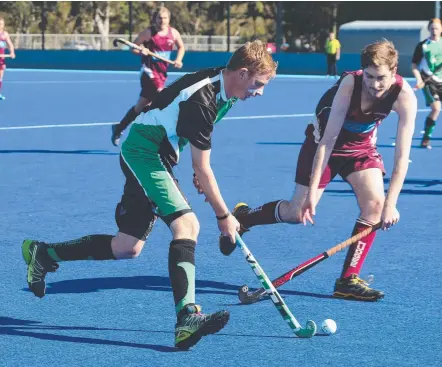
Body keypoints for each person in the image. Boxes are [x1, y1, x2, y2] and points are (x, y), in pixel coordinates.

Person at [22, 40, 277, 349]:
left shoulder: (225, 93)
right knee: (188, 225)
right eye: (258, 84)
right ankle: (187, 318)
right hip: (145, 151)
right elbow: (203, 164)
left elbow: (194, 149)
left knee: (127, 247)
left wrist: (199, 173)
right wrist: (224, 217)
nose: (260, 92)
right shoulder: (204, 98)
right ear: (242, 73)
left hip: (160, 153)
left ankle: (44, 253)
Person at [216, 40, 417, 302]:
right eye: (369, 76)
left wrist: (392, 204)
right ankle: (245, 217)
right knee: (296, 212)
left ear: (394, 71)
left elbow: (402, 158)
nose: (375, 84)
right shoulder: (350, 85)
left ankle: (348, 280)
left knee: (376, 206)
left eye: (381, 78)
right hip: (323, 143)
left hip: (361, 148)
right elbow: (328, 140)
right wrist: (312, 193)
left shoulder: (404, 96)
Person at [111, 6, 185, 146]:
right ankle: (158, 138)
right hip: (148, 72)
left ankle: (119, 128)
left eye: (164, 18)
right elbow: (134, 47)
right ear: (155, 19)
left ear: (169, 19)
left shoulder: (173, 33)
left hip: (162, 74)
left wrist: (179, 59)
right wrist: (141, 51)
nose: (162, 20)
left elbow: (181, 47)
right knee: (161, 97)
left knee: (141, 106)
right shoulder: (148, 33)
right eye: (159, 18)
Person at [411, 18, 442, 149]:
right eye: (432, 28)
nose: (434, 31)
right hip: (429, 81)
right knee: (436, 109)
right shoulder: (423, 45)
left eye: (437, 28)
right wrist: (419, 79)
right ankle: (426, 138)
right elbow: (413, 64)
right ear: (429, 29)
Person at [0, 17, 16, 101]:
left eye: (1, 24)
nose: (0, 25)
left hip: (1, 59)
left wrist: (12, 52)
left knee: (0, 77)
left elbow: (10, 44)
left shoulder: (4, 34)